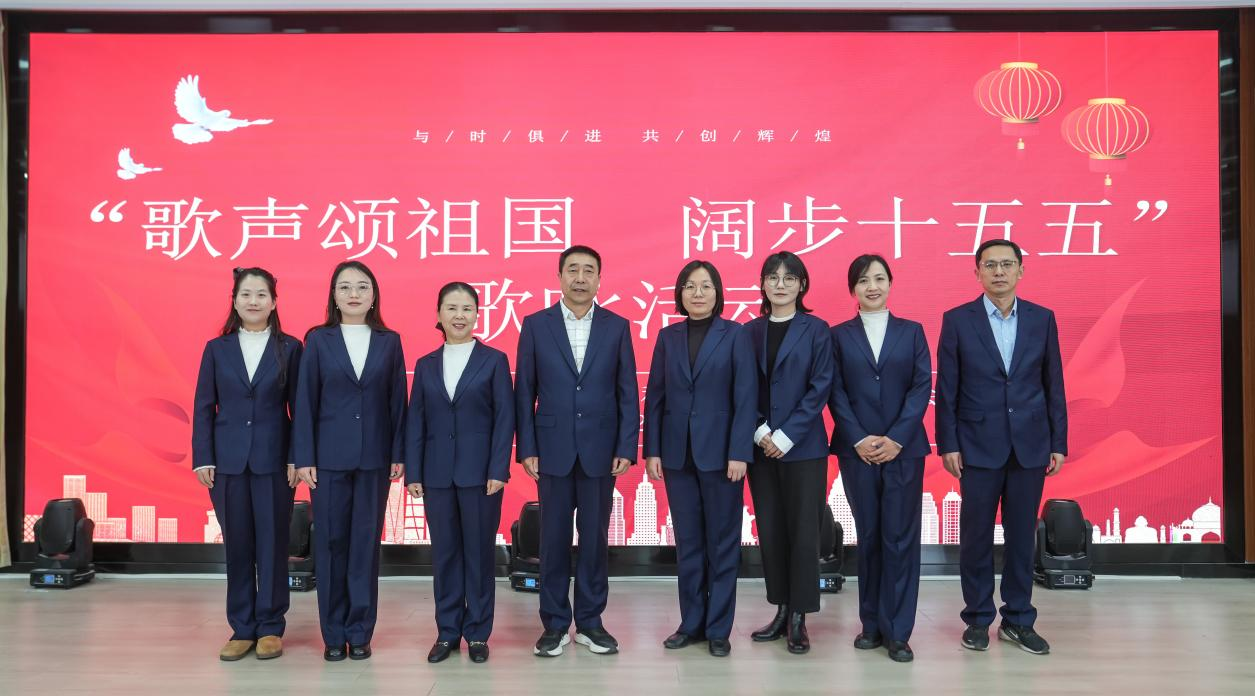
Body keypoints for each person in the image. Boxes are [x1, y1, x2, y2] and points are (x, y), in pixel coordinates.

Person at [935, 239, 1067, 656]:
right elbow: (947, 388)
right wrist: (948, 443)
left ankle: (1018, 619)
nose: (999, 272)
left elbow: (1053, 384)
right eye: (990, 265)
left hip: (1030, 444)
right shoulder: (958, 320)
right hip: (976, 445)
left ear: (1021, 271)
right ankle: (977, 618)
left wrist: (1058, 441)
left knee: (1021, 538)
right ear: (976, 272)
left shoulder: (1042, 319)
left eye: (1007, 264)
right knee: (975, 537)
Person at [515, 245, 639, 657]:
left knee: (594, 539)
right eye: (573, 270)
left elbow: (627, 391)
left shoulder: (616, 327)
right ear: (559, 277)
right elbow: (524, 392)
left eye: (589, 270)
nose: (580, 278)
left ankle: (589, 622)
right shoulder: (536, 325)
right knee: (552, 539)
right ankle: (554, 625)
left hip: (601, 450)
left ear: (599, 279)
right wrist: (527, 446)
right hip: (551, 449)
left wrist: (626, 445)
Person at [292, 261, 406, 662]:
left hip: (374, 458)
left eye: (362, 286)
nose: (353, 294)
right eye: (345, 287)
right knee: (330, 544)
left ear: (374, 295)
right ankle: (332, 634)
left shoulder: (389, 341)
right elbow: (304, 401)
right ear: (333, 296)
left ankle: (360, 632)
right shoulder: (318, 340)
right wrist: (304, 456)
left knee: (364, 546)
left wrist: (398, 453)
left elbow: (398, 402)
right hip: (327, 460)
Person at [643, 260, 757, 658]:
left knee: (722, 544)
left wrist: (740, 451)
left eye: (705, 286)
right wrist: (653, 450)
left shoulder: (735, 335)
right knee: (688, 543)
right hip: (677, 456)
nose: (697, 293)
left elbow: (746, 398)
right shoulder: (667, 337)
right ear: (680, 293)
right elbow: (656, 397)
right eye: (690, 286)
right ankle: (691, 623)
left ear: (717, 293)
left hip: (723, 457)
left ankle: (719, 628)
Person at [192, 267, 303, 662]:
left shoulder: (291, 348)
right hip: (228, 462)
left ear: (274, 302)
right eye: (246, 294)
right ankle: (241, 628)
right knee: (238, 546)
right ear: (235, 301)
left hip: (275, 462)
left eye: (261, 295)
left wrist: (297, 457)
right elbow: (204, 406)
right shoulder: (216, 349)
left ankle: (270, 626)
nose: (253, 301)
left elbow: (300, 410)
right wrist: (203, 457)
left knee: (273, 544)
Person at [827, 254, 931, 663]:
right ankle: (870, 624)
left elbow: (921, 387)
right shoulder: (838, 336)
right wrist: (857, 437)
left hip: (904, 450)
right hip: (857, 451)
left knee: (900, 539)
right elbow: (834, 390)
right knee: (869, 535)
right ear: (852, 288)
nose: (872, 286)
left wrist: (897, 438)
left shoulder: (912, 332)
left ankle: (898, 631)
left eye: (879, 279)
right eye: (863, 280)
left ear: (890, 283)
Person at [406, 282, 514, 665]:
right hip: (436, 474)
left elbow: (505, 419)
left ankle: (478, 633)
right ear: (438, 314)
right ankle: (448, 631)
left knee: (479, 555)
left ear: (477, 315)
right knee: (446, 555)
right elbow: (416, 421)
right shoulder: (425, 364)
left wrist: (498, 468)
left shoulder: (494, 360)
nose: (459, 315)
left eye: (467, 308)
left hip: (481, 475)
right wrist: (414, 472)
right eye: (451, 308)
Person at [744, 251, 833, 655]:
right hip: (761, 446)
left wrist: (786, 435)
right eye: (773, 277)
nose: (780, 284)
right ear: (762, 284)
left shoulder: (816, 330)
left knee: (803, 531)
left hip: (803, 448)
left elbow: (820, 386)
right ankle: (780, 609)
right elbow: (741, 387)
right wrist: (762, 429)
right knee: (772, 529)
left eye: (789, 278)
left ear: (802, 285)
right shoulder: (749, 332)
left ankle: (800, 616)